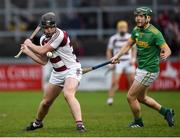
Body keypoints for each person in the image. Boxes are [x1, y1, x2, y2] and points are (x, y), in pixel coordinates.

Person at [20, 12, 86, 132]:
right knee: (46, 102)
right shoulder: (42, 39)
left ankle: (80, 124)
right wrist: (27, 51)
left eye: (51, 27)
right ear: (43, 28)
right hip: (57, 73)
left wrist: (29, 44)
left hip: (71, 69)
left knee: (68, 94)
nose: (49, 29)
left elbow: (42, 51)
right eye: (47, 27)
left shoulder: (60, 35)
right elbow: (43, 60)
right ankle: (37, 123)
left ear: (55, 26)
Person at [111, 7, 174, 127]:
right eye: (137, 16)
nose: (138, 18)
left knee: (130, 97)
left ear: (148, 18)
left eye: (141, 16)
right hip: (141, 68)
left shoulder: (155, 33)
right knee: (141, 98)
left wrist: (165, 54)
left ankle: (138, 122)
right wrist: (117, 56)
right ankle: (166, 112)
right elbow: (128, 45)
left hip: (149, 70)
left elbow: (167, 49)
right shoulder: (136, 30)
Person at [106, 20, 136, 105]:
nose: (122, 29)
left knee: (132, 81)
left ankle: (133, 98)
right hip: (118, 62)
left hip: (128, 61)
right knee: (115, 82)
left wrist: (133, 59)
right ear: (118, 29)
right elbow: (109, 51)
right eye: (120, 28)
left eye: (124, 28)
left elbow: (134, 49)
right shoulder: (113, 38)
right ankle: (110, 98)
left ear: (126, 28)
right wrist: (109, 62)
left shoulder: (130, 37)